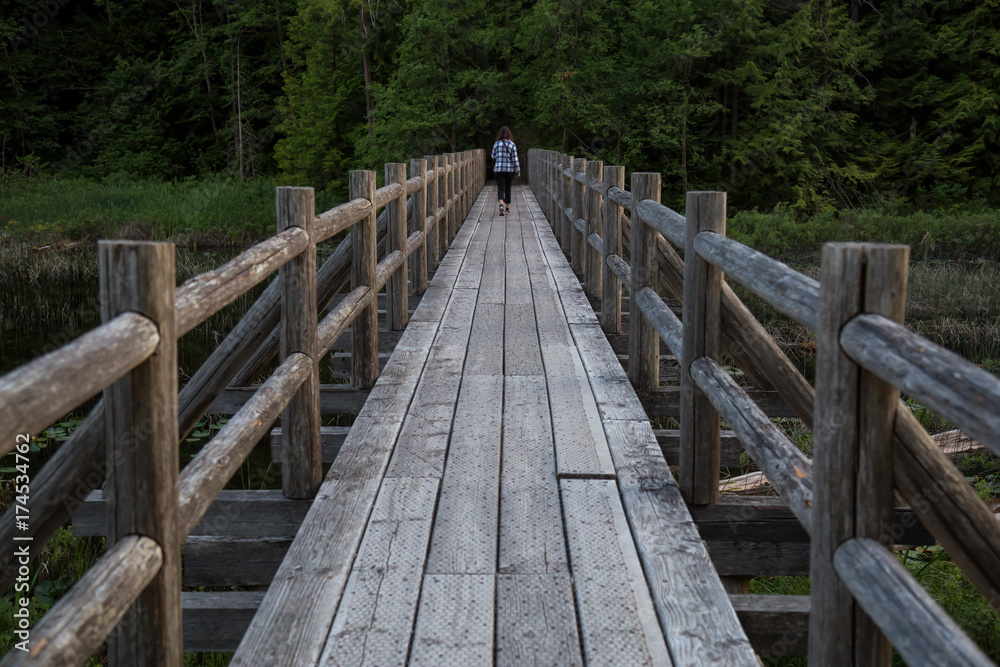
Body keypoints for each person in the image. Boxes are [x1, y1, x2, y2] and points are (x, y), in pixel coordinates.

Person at [491, 126, 520, 216]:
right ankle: (507, 208)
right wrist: (518, 171)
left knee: (500, 188)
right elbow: (515, 159)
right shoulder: (512, 145)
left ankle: (500, 205)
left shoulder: (496, 144)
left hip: (498, 169)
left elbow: (493, 156)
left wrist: (499, 156)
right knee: (508, 188)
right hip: (509, 170)